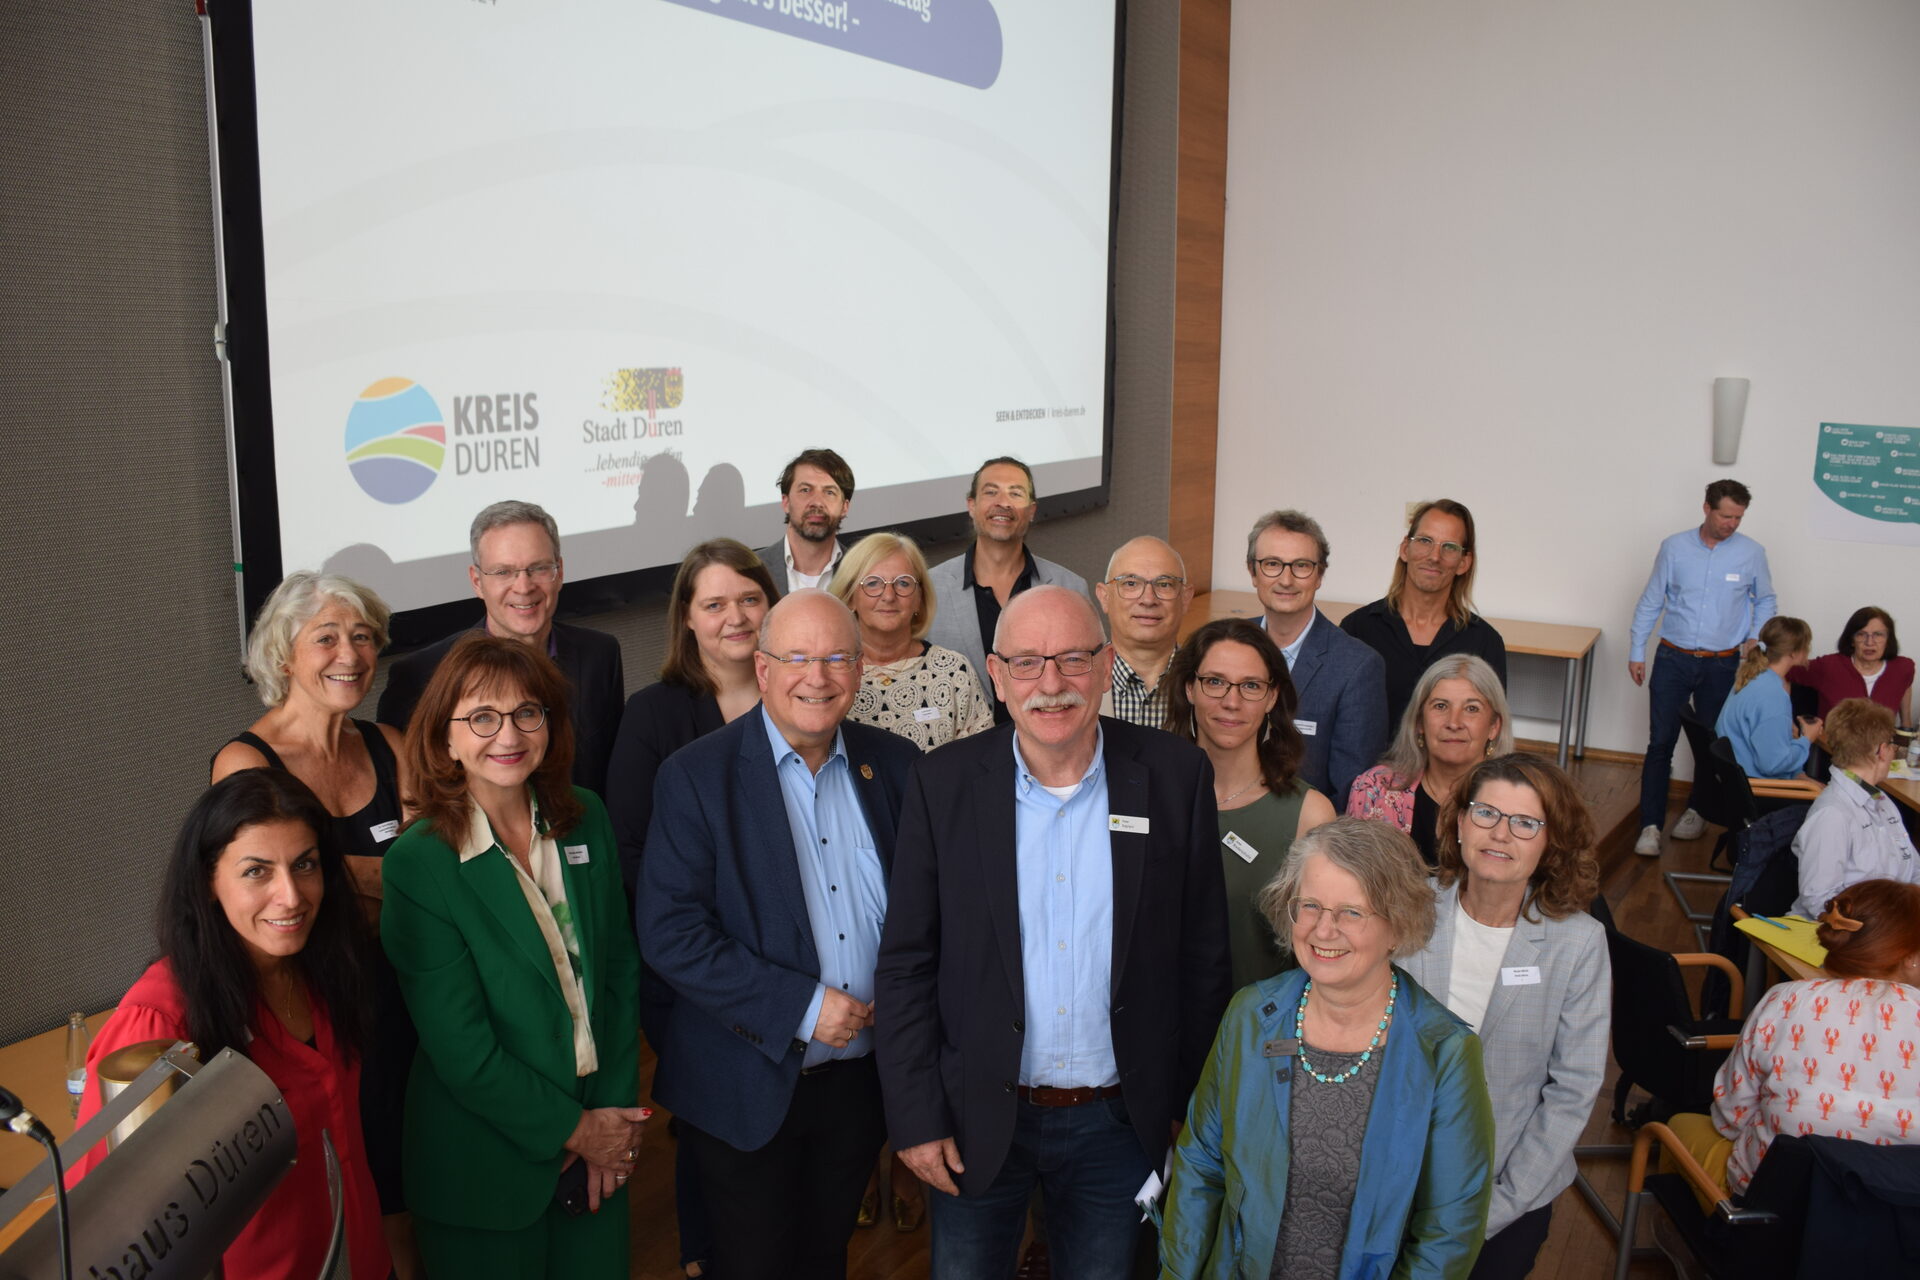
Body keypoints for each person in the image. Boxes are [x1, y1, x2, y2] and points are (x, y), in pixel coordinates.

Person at [876, 585, 1232, 1280]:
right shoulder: (942, 784)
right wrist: (915, 1117)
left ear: (1105, 666)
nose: (1051, 684)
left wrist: (1186, 1105)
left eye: (1073, 659)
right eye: (1028, 662)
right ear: (997, 674)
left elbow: (1203, 957)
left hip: (1119, 1123)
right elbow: (907, 964)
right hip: (976, 1116)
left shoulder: (1174, 775)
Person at [639, 590, 920, 1279]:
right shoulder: (696, 776)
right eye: (797, 658)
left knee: (824, 1257)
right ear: (763, 669)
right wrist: (802, 1006)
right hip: (745, 1081)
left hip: (860, 1083)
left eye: (836, 658)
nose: (817, 677)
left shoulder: (896, 765)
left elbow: (927, 909)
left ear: (859, 670)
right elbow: (672, 932)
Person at [382, 634, 645, 1276]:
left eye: (527, 712)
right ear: (444, 739)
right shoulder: (420, 863)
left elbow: (617, 974)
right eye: (481, 717)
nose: (508, 735)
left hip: (598, 1145)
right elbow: (463, 1051)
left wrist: (611, 1122)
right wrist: (576, 1130)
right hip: (484, 1169)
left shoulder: (586, 817)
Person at [72, 770, 391, 1280]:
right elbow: (104, 1230)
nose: (291, 896)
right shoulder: (158, 1021)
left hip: (360, 1257)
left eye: (304, 865)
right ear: (208, 882)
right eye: (257, 871)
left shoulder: (323, 968)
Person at [1158, 818, 1494, 1279]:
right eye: (1310, 905)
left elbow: (1448, 1231)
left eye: (1351, 913)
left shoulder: (1445, 1053)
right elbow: (1201, 1164)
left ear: (1398, 926)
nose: (1323, 929)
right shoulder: (1250, 1015)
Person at [209, 570, 418, 1273]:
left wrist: (332, 870)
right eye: (326, 637)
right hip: (316, 1005)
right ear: (284, 653)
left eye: (362, 636)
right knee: (353, 1190)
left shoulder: (389, 743)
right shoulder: (247, 761)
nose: (350, 654)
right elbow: (274, 898)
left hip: (409, 989)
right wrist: (378, 875)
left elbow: (433, 873)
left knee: (410, 1182)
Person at [602, 538, 775, 1279]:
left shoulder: (802, 696)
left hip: (794, 966)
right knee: (711, 1126)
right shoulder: (653, 714)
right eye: (716, 603)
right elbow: (632, 850)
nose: (736, 617)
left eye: (750, 599)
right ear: (688, 619)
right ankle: (706, 1253)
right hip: (691, 972)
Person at [1398, 756, 1609, 1280]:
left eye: (1525, 823)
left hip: (1508, 1189)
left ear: (1551, 843)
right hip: (1393, 1176)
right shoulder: (1409, 909)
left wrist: (1500, 1204)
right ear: (1460, 822)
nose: (1501, 834)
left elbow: (1573, 1089)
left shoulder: (1579, 943)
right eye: (1486, 813)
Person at [1667, 879, 1920, 1197]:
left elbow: (1730, 1118)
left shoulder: (1786, 1001)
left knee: (1678, 1125)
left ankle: (1685, 1225)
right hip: (1896, 1214)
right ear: (1911, 956)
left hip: (1770, 1204)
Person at [378, 500, 625, 796]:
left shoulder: (600, 654)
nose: (524, 587)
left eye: (538, 568)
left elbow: (609, 776)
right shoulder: (419, 676)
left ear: (559, 572)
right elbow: (411, 791)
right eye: (503, 572)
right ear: (477, 581)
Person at [1165, 617, 1336, 989]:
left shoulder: (1309, 814)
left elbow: (1324, 946)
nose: (1232, 702)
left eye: (1251, 686)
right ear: (1190, 688)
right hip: (1159, 1016)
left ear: (1272, 697)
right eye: (1215, 682)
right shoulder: (1150, 795)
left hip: (1259, 1020)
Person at [1628, 478, 1777, 856]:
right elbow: (1652, 599)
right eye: (1726, 516)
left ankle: (1697, 810)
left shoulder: (1752, 553)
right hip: (1673, 658)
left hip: (1721, 664)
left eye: (1738, 518)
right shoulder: (1674, 547)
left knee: (1711, 745)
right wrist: (1637, 650)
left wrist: (1756, 638)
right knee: (1661, 742)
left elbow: (1766, 599)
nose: (1732, 524)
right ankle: (1650, 826)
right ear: (1707, 508)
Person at [924, 456, 1092, 724]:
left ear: (1032, 510)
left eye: (1015, 493)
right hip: (962, 743)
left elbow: (1084, 672)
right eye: (991, 492)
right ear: (971, 505)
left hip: (1049, 733)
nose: (1003, 502)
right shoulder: (930, 588)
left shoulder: (1070, 586)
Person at [1244, 508, 1388, 805]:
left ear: (1320, 575)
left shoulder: (1358, 667)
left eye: (1301, 566)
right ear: (1252, 572)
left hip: (1307, 829)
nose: (1286, 579)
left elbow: (1351, 795)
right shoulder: (1228, 645)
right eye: (1272, 564)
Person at [1340, 499, 1508, 727]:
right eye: (1424, 541)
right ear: (1405, 549)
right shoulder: (1357, 629)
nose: (1434, 556)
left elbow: (1489, 728)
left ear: (1464, 562)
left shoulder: (1485, 642)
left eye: (1449, 547)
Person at [830, 531, 994, 752]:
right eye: (873, 583)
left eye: (903, 583)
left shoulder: (954, 672)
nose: (889, 596)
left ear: (920, 598)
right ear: (850, 597)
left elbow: (983, 759)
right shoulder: (831, 673)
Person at [1346, 655, 1516, 867]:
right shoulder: (1374, 789)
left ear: (1494, 726)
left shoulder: (1517, 801)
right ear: (1419, 722)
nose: (1454, 723)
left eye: (1471, 708)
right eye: (1440, 706)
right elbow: (1354, 877)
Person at [1791, 698, 1920, 917]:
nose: (1892, 752)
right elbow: (1820, 901)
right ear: (1882, 751)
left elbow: (1914, 868)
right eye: (1892, 745)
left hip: (1892, 919)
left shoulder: (1881, 801)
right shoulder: (1833, 814)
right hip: (1851, 929)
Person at [1094, 535, 1193, 728]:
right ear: (1104, 597)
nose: (1148, 600)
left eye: (1164, 584)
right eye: (1131, 583)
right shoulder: (1075, 682)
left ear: (1185, 598)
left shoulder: (1209, 683)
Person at [1716, 615, 1823, 779]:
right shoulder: (1774, 695)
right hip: (1754, 785)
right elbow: (1773, 765)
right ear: (1793, 653)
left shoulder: (1751, 677)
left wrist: (1785, 733)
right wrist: (1807, 739)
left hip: (1733, 778)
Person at [756, 448, 856, 596]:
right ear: (786, 502)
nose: (817, 502)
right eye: (805, 490)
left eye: (829, 492)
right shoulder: (752, 570)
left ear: (844, 507)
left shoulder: (863, 572)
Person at [1791, 606, 1914, 723]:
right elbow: (1785, 670)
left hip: (1883, 738)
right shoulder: (1828, 666)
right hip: (1832, 738)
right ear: (1852, 640)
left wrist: (1906, 723)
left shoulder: (1903, 668)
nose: (1869, 642)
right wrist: (1788, 721)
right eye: (1861, 634)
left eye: (1878, 635)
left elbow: (1905, 684)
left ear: (1888, 640)